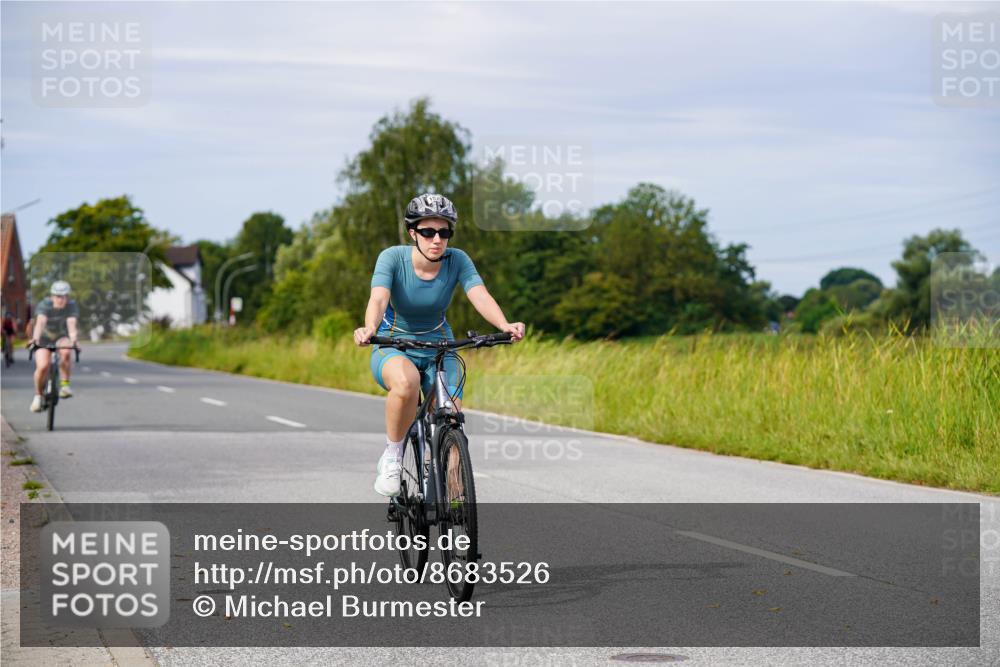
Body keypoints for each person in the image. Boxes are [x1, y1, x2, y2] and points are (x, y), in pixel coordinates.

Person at [354, 193, 525, 497]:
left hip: (439, 344)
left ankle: (456, 500)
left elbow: (479, 294)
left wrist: (504, 325)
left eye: (444, 232)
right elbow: (378, 298)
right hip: (393, 343)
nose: (437, 239)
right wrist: (369, 327)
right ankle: (393, 455)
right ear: (413, 233)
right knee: (407, 383)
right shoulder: (392, 257)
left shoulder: (457, 259)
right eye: (428, 232)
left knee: (451, 417)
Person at [29, 280, 79, 412]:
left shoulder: (71, 306)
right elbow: (40, 322)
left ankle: (65, 386)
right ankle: (38, 396)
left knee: (67, 352)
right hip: (43, 337)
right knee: (43, 366)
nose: (61, 300)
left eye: (64, 296)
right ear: (52, 296)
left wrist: (74, 340)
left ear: (68, 297)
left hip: (61, 336)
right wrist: (35, 339)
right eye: (58, 296)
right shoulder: (45, 305)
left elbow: (71, 323)